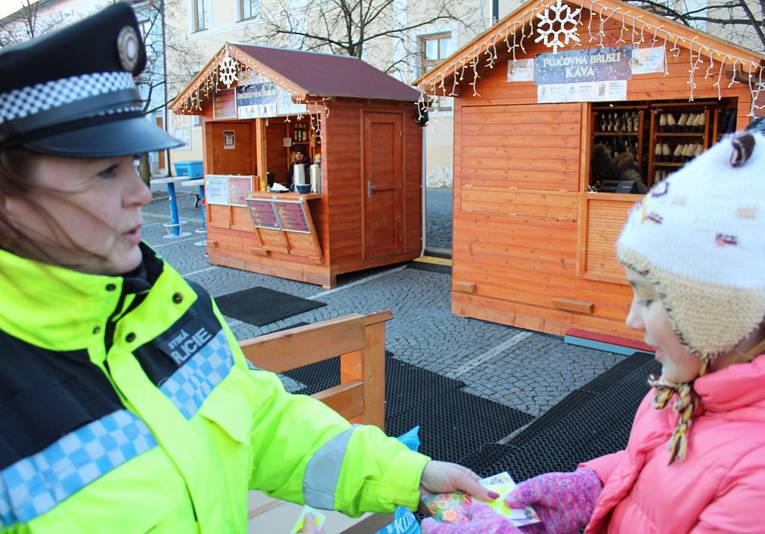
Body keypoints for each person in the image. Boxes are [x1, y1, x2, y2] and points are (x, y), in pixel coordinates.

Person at [0, 5, 494, 532]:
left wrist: (408, 477)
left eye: (132, 166)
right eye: (104, 172)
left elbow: (261, 422)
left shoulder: (172, 306)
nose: (140, 193)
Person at [423, 130, 765, 533]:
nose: (632, 320)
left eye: (651, 298)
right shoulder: (683, 391)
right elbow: (660, 471)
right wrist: (595, 485)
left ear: (723, 313)